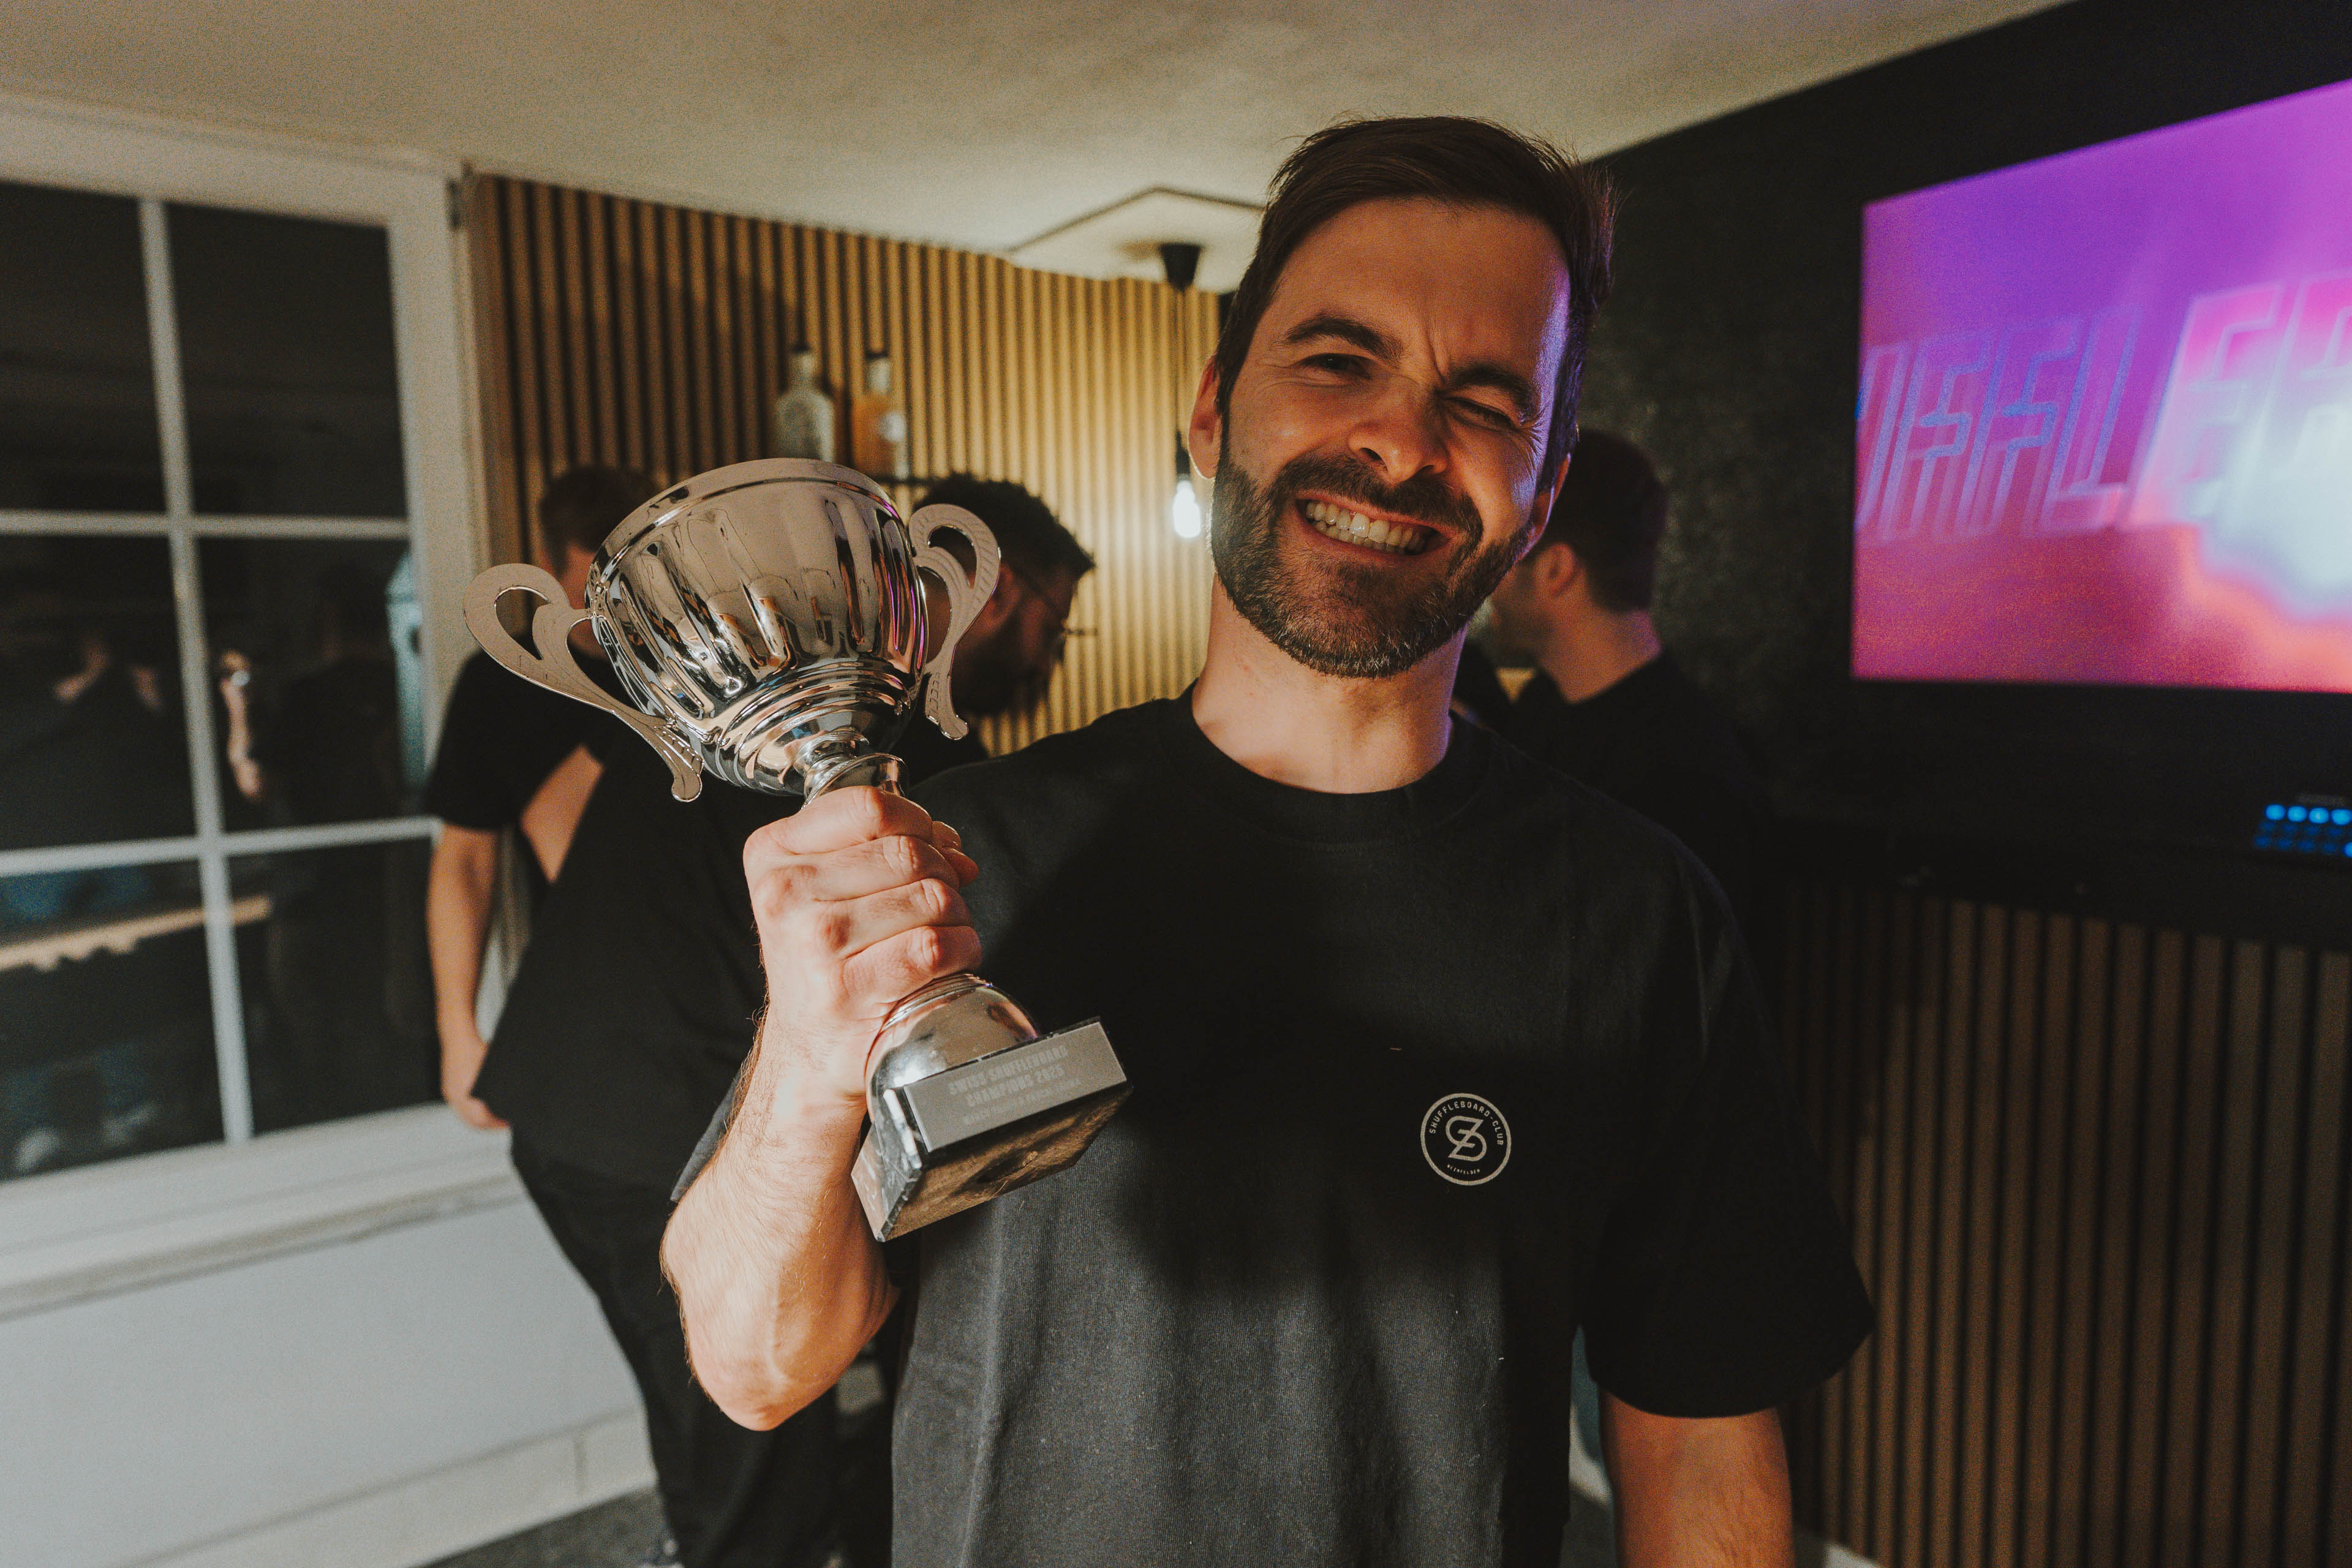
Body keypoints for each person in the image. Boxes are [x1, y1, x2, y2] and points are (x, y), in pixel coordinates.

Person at [665, 116, 1872, 1568]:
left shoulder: (1636, 913)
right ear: (1211, 414)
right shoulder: (965, 853)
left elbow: (1699, 1428)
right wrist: (806, 1063)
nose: (1401, 440)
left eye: (1484, 403)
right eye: (1339, 359)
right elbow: (757, 1363)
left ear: (1540, 495)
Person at [465, 469, 1091, 1568]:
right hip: (658, 1135)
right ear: (994, 593)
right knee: (758, 1481)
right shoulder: (902, 749)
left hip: (559, 1090)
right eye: (1056, 625)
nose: (1051, 657)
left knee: (717, 1453)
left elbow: (563, 812)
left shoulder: (750, 663)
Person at [427, 466, 653, 1133]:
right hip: (579, 993)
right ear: (549, 570)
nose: (612, 610)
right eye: (592, 588)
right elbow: (465, 861)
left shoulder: (695, 674)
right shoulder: (502, 686)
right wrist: (458, 1032)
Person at [1477, 429, 1770, 927]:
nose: (1489, 583)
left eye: (1506, 556)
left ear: (1556, 570)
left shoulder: (1685, 782)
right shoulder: (1544, 703)